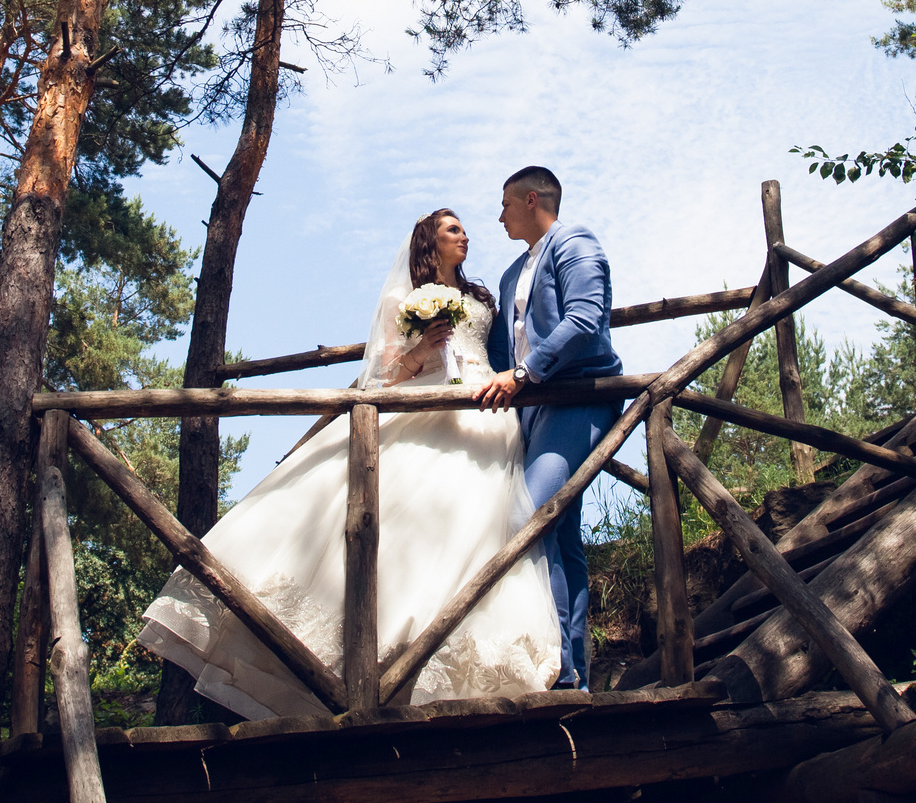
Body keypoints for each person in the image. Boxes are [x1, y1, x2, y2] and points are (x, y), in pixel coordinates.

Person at [136, 208, 560, 718]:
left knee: (475, 527)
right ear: (429, 242)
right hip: (425, 403)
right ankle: (374, 654)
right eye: (453, 229)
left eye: (464, 229)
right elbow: (384, 376)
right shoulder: (403, 299)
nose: (465, 235)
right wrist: (423, 348)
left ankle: (441, 656)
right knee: (393, 521)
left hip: (486, 412)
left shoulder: (482, 297)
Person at [474, 165, 620, 689]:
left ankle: (557, 672)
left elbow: (585, 320)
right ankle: (573, 672)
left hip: (579, 399)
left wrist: (523, 374)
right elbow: (500, 353)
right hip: (531, 414)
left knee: (530, 518)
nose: (500, 217)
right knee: (562, 536)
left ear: (531, 200)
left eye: (505, 205)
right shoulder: (511, 274)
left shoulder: (575, 242)